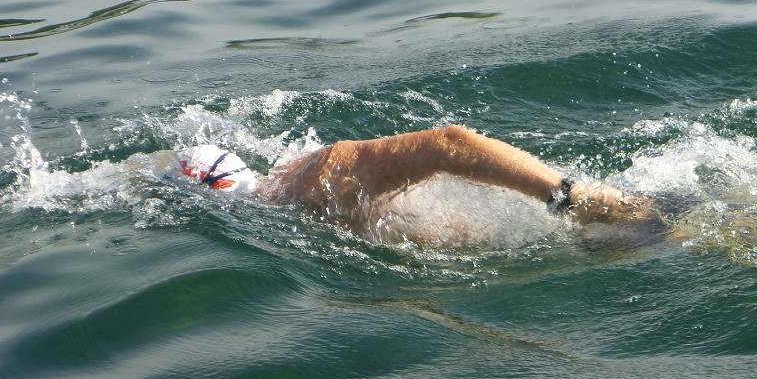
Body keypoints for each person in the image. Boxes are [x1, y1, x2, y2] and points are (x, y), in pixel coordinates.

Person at [170, 125, 675, 244]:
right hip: (579, 246)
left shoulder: (318, 178)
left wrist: (569, 197)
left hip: (599, 212)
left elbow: (446, 142)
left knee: (713, 225)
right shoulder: (292, 206)